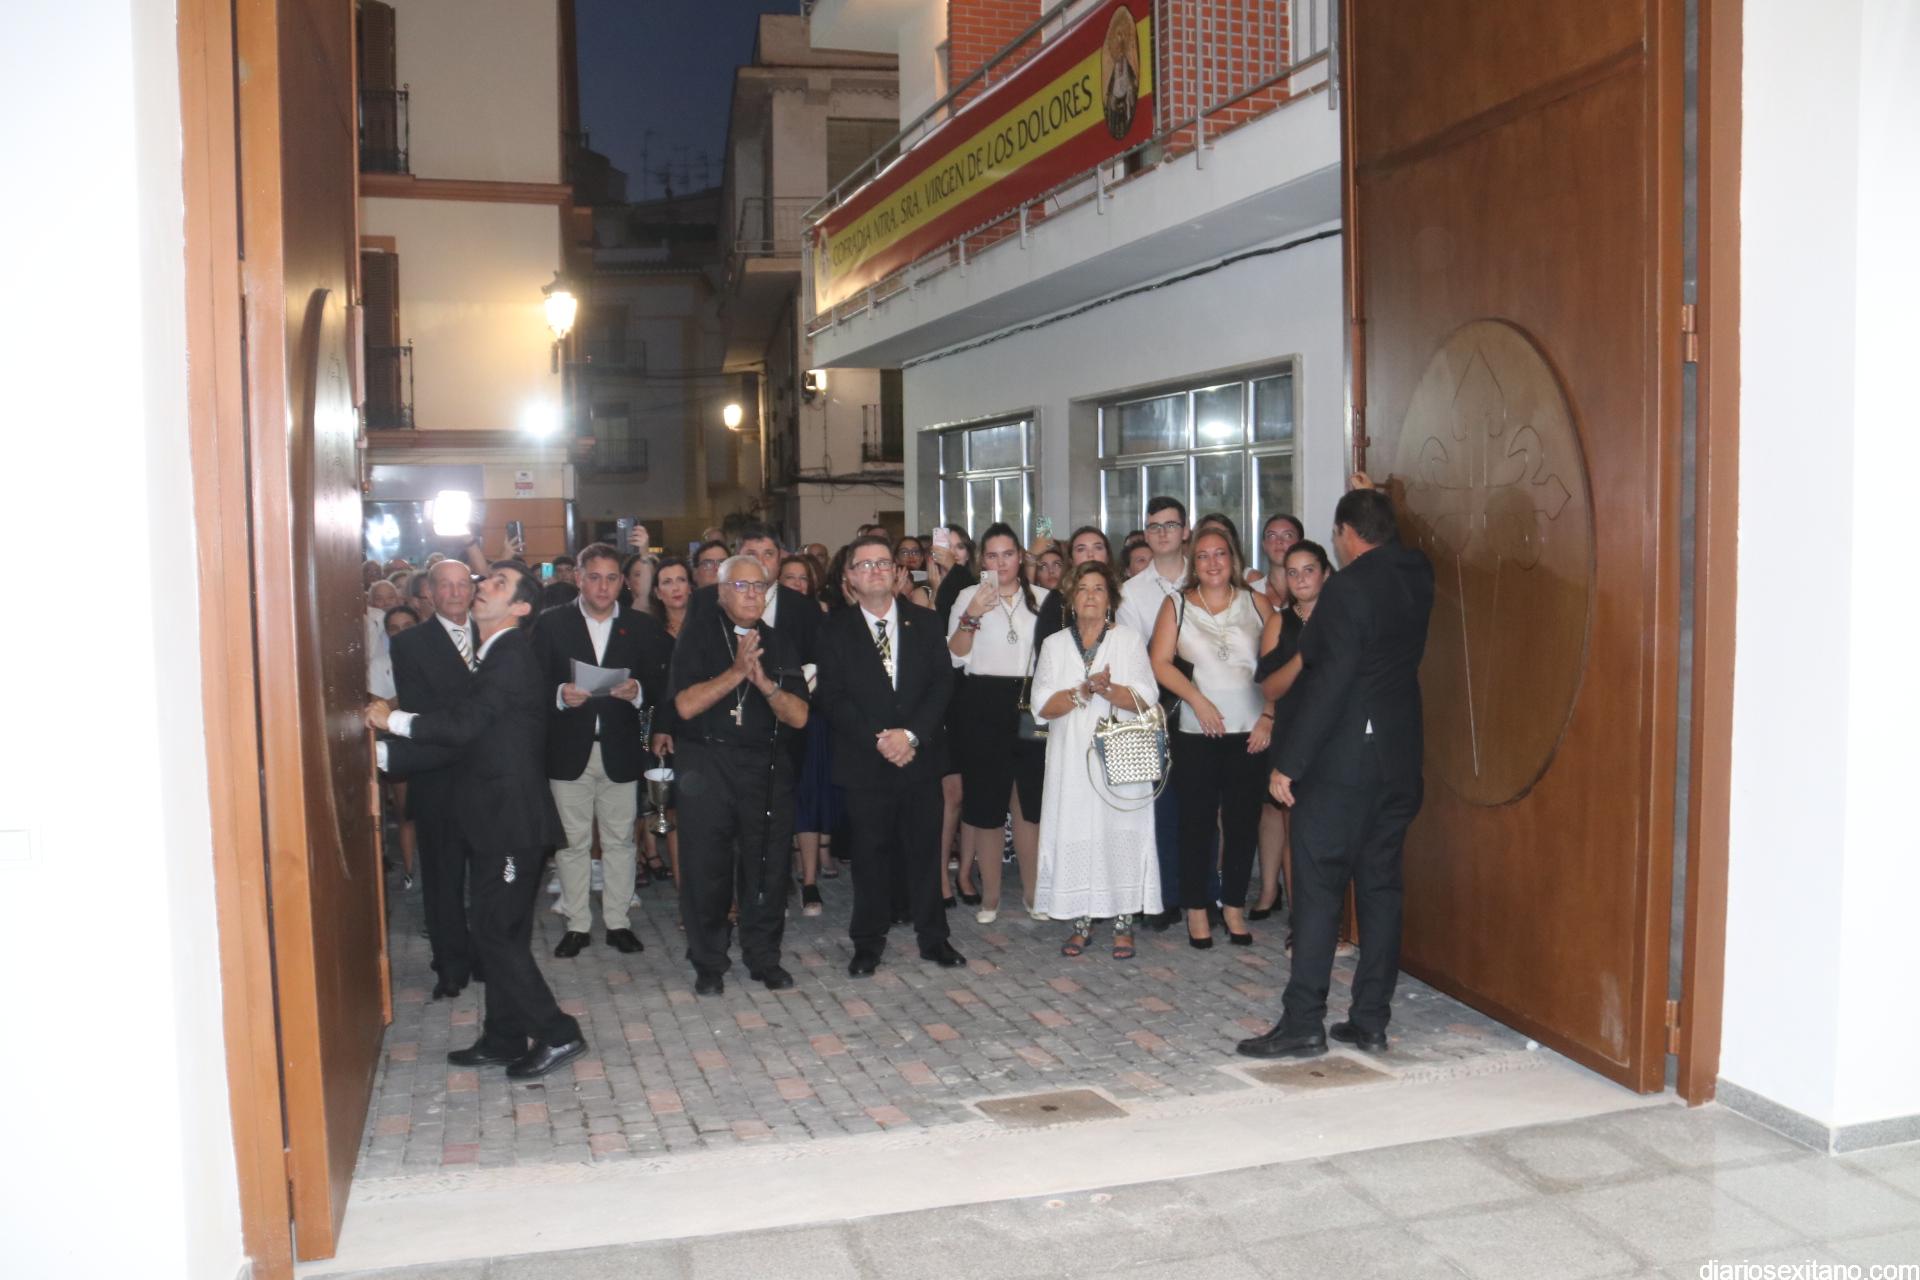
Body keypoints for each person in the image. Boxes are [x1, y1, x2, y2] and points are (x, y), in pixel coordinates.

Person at [370, 561, 587, 1080]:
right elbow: (469, 742)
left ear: (521, 607)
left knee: (494, 934)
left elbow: (463, 726)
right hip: (495, 820)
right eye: (485, 579)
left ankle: (558, 1033)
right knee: (500, 931)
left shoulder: (509, 655)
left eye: (498, 583)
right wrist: (384, 755)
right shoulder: (494, 655)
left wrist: (391, 720)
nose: (482, 586)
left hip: (511, 823)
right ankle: (504, 1037)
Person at [1239, 488, 1434, 1060]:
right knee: (1381, 888)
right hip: (1399, 758)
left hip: (1344, 764)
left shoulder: (1347, 588)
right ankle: (1370, 1020)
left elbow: (1331, 683)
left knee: (1319, 889)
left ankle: (1304, 1022)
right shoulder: (1418, 572)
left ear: (1346, 534)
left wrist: (1290, 763)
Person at [817, 534, 964, 976]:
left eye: (883, 563)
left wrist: (911, 736)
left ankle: (934, 939)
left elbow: (942, 684)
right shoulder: (833, 629)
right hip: (865, 762)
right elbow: (832, 696)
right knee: (869, 856)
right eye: (864, 565)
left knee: (925, 852)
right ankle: (867, 943)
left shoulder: (926, 622)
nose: (875, 571)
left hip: (919, 759)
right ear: (849, 578)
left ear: (898, 572)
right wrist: (880, 740)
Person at [668, 554, 810, 994]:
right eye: (742, 586)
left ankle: (763, 956)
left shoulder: (778, 640)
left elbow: (800, 716)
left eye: (759, 586)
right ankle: (709, 960)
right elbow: (684, 705)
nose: (752, 594)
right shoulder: (697, 635)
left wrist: (764, 684)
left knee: (766, 865)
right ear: (722, 592)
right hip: (707, 764)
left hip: (764, 764)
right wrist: (735, 674)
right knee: (705, 866)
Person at [533, 543, 674, 958]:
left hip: (621, 747)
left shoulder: (641, 626)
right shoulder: (551, 624)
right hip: (567, 748)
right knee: (571, 843)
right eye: (594, 577)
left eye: (611, 578)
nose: (602, 586)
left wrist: (638, 692)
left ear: (622, 582)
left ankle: (617, 922)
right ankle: (577, 924)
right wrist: (559, 694)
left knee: (620, 841)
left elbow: (660, 684)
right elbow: (531, 682)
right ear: (579, 578)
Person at [1150, 524, 1274, 948]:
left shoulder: (1257, 603)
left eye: (1219, 553)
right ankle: (1197, 909)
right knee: (1196, 824)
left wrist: (1269, 717)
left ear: (1232, 557)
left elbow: (1279, 665)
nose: (1212, 562)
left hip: (1250, 734)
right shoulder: (1177, 604)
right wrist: (1197, 700)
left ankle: (1234, 906)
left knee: (1242, 824)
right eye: (1202, 556)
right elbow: (1160, 663)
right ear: (1193, 562)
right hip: (1195, 732)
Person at [1031, 561, 1161, 960]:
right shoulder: (1054, 644)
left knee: (1120, 831)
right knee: (1075, 831)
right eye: (1083, 588)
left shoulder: (1128, 640)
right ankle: (1080, 920)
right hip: (1070, 758)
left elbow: (1146, 696)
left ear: (1110, 599)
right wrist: (1083, 691)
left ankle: (1123, 923)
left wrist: (1108, 689)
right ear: (1071, 598)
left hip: (1120, 757)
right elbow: (1041, 706)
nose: (1090, 595)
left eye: (1099, 589)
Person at [387, 559, 480, 998]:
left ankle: (488, 957)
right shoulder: (410, 644)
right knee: (443, 880)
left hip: (491, 778)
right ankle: (450, 966)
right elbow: (420, 712)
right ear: (430, 593)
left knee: (491, 879)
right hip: (439, 775)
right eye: (446, 586)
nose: (456, 593)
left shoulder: (496, 634)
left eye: (463, 585)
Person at [946, 523, 1046, 922]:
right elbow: (954, 654)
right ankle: (990, 896)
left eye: (1008, 554)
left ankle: (1034, 893)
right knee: (986, 802)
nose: (1001, 563)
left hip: (1032, 703)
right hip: (982, 702)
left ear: (1020, 557)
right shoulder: (968, 596)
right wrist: (972, 614)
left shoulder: (1043, 598)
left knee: (1029, 802)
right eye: (992, 555)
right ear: (982, 560)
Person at [1117, 496, 1190, 927]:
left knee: (1201, 803)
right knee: (1160, 804)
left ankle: (1203, 894)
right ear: (1146, 534)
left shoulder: (1205, 573)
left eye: (1170, 525)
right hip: (1155, 706)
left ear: (1185, 530)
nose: (1163, 533)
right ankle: (1164, 896)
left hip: (1205, 700)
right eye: (1155, 526)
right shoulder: (1131, 591)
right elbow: (1134, 657)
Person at [1253, 539, 1331, 927]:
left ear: (1326, 573)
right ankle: (1301, 925)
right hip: (1292, 737)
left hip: (1337, 738)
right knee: (1294, 830)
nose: (1300, 579)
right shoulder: (1279, 623)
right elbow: (1269, 688)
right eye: (1292, 572)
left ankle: (1336, 923)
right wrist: (1302, 655)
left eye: (1308, 570)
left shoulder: (1343, 617)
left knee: (1334, 834)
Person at [781, 554, 839, 917]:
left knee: (809, 797)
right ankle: (780, 874)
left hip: (813, 718)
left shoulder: (822, 618)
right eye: (789, 577)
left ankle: (809, 880)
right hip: (773, 717)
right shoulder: (765, 618)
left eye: (803, 578)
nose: (797, 584)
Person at [641, 557, 693, 884]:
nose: (675, 588)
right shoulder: (650, 636)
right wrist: (661, 727)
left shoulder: (707, 628)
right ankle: (683, 888)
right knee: (672, 811)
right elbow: (652, 690)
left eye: (681, 580)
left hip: (704, 729)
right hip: (666, 732)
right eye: (667, 582)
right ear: (658, 593)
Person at [1252, 514, 1304, 601]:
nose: (1279, 541)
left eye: (1288, 535)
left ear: (1301, 543)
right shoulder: (1249, 593)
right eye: (1272, 536)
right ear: (1264, 545)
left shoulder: (1314, 591)